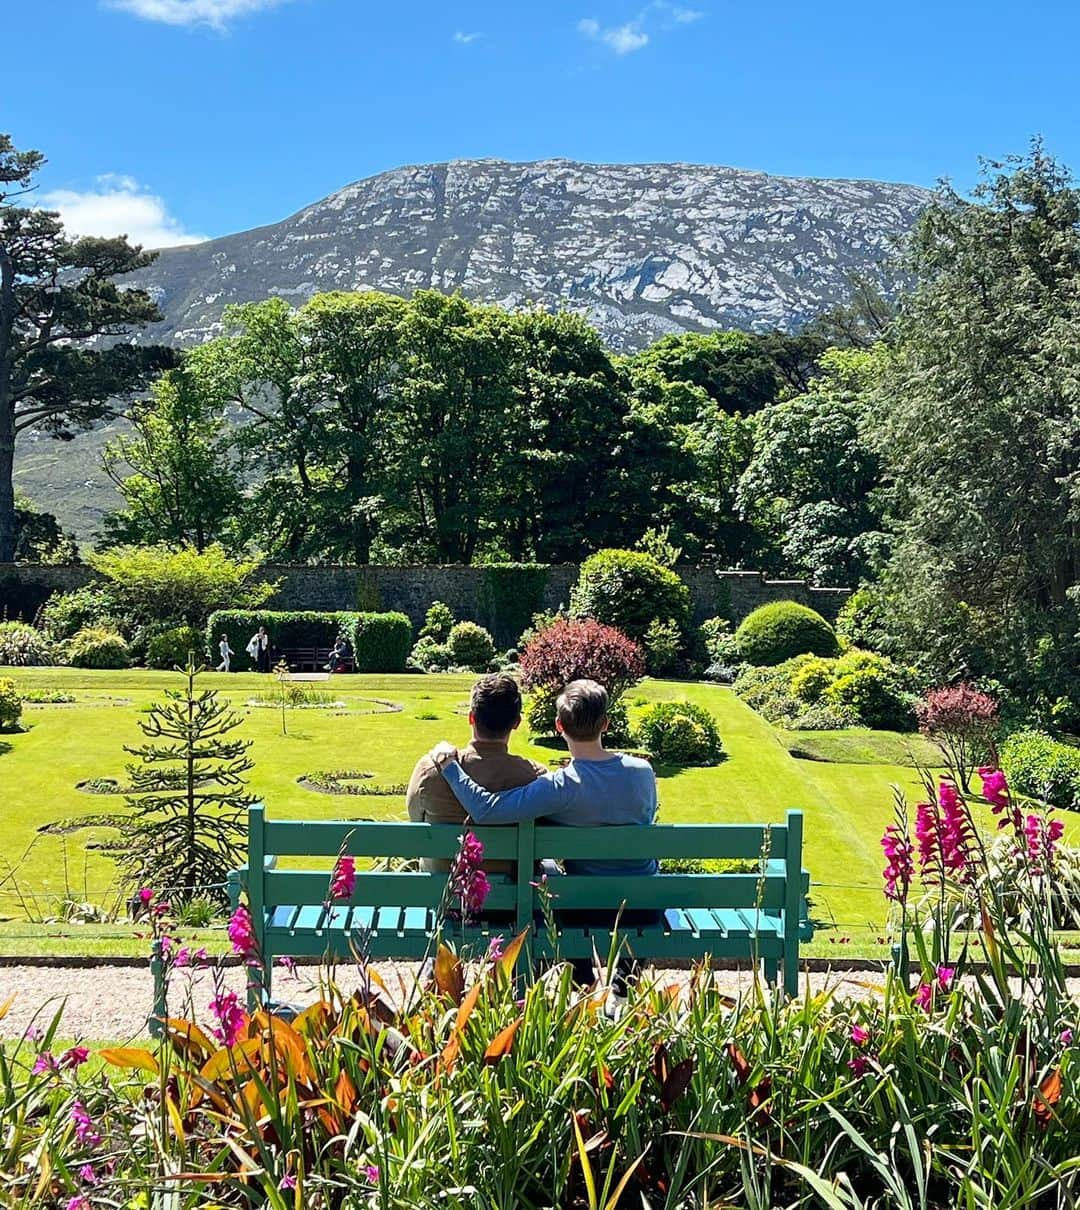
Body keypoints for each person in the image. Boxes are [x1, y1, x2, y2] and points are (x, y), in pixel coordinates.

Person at [428, 678, 658, 984]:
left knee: (549, 878)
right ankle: (622, 982)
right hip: (645, 906)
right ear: (606, 724)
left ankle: (582, 978)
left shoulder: (560, 787)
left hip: (587, 907)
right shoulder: (643, 773)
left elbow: (487, 809)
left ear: (558, 726)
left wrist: (449, 766)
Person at [407, 673, 546, 878]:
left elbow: (416, 827)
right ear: (516, 722)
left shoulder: (430, 770)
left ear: (471, 717)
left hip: (442, 900)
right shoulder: (535, 777)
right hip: (513, 905)